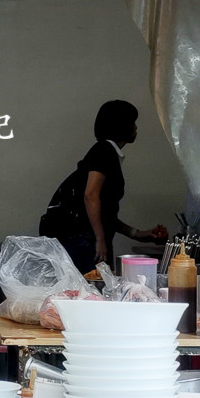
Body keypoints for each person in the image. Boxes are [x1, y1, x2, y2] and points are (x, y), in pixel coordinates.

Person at [39, 98, 167, 273]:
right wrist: (100, 239)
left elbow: (105, 212)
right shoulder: (104, 151)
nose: (136, 128)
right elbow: (90, 195)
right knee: (90, 287)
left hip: (80, 237)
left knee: (92, 287)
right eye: (133, 122)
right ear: (121, 125)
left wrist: (137, 234)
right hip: (81, 239)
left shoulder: (107, 152)